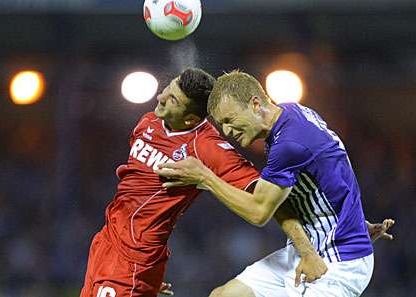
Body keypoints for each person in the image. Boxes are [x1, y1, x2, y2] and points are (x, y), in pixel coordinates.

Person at [80, 68, 328, 297]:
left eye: (173, 99)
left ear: (190, 119)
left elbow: (269, 200)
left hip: (131, 260)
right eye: (169, 88)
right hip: (105, 245)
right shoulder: (148, 122)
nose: (161, 97)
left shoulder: (207, 149)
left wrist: (306, 250)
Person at [157, 70, 384, 297]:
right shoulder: (292, 113)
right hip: (309, 248)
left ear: (255, 104)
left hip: (338, 261)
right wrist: (355, 220)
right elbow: (331, 168)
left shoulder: (289, 144)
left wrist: (204, 177)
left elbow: (259, 212)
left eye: (229, 120)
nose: (227, 131)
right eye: (221, 124)